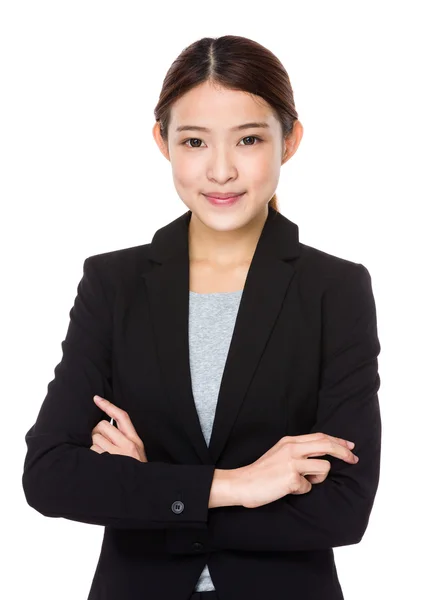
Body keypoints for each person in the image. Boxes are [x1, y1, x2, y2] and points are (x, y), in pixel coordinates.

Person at [22, 35, 381, 600]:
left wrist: (145, 489)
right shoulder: (112, 284)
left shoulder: (334, 289)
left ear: (289, 142)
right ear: (163, 142)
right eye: (194, 141)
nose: (220, 171)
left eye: (248, 139)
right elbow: (48, 477)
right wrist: (236, 486)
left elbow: (344, 509)